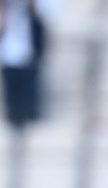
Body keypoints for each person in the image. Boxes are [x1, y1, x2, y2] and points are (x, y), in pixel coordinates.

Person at [0, 0, 47, 131]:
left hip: (27, 52)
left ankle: (29, 117)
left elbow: (40, 17)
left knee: (28, 87)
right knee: (12, 89)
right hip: (9, 53)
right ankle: (14, 118)